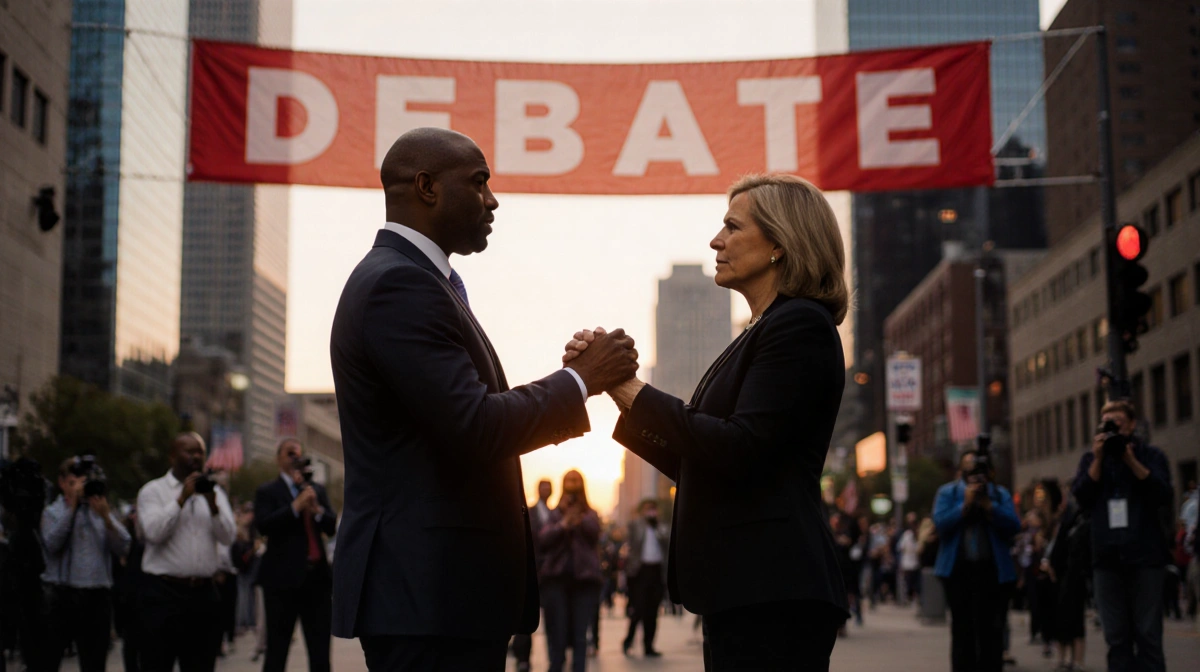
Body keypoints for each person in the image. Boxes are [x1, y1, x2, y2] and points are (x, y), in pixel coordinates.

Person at [329, 127, 638, 671]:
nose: (493, 200)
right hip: (429, 597)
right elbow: (473, 426)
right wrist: (581, 382)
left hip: (440, 598)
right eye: (479, 183)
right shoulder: (399, 285)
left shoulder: (423, 280)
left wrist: (573, 376)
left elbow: (460, 411)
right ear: (427, 186)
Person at [566, 173, 851, 670]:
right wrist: (618, 389)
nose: (716, 241)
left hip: (772, 589)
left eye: (732, 227)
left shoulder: (799, 325)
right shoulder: (764, 329)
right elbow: (705, 457)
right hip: (747, 588)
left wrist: (632, 389)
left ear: (779, 244)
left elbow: (741, 448)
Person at [1072, 400, 1172, 672]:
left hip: (1146, 556)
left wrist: (1130, 459)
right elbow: (1081, 495)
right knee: (1116, 636)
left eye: (1117, 422)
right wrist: (1099, 458)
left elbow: (1162, 493)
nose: (1112, 428)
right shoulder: (1091, 460)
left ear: (1131, 424)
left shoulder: (1151, 455)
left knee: (1148, 634)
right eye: (1106, 424)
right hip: (1106, 558)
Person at [135, 433, 237, 672]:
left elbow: (227, 537)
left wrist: (213, 505)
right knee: (156, 664)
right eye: (189, 451)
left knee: (201, 665)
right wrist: (181, 499)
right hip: (163, 595)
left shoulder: (216, 494)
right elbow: (153, 532)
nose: (196, 457)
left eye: (200, 452)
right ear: (172, 456)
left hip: (203, 596)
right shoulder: (153, 491)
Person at [39, 456, 132, 672]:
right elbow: (52, 544)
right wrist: (72, 510)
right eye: (73, 483)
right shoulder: (52, 512)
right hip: (63, 593)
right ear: (62, 483)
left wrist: (107, 518)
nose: (80, 488)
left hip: (97, 596)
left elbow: (124, 546)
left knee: (94, 663)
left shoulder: (99, 509)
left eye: (83, 482)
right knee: (49, 660)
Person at [932, 449, 1021, 672]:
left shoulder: (999, 495)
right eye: (969, 469)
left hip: (993, 572)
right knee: (962, 631)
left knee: (992, 630)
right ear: (961, 471)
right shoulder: (948, 493)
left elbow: (1014, 525)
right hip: (958, 572)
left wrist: (990, 507)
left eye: (979, 470)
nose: (975, 476)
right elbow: (940, 524)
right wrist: (964, 505)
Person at [253, 438, 337, 672]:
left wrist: (316, 510)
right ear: (279, 459)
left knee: (320, 652)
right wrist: (294, 508)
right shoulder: (268, 491)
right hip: (281, 582)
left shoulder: (316, 490)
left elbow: (331, 527)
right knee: (277, 651)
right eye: (290, 454)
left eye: (299, 454)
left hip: (316, 582)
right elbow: (264, 525)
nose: (295, 459)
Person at [537, 470, 602, 672]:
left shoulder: (590, 513)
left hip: (584, 582)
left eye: (575, 481)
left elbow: (594, 534)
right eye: (568, 481)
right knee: (557, 634)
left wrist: (579, 518)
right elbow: (544, 539)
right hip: (556, 581)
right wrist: (564, 523)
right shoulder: (555, 513)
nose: (572, 484)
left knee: (580, 637)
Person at [512, 479, 553, 672]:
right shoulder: (529, 512)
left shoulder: (555, 514)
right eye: (543, 488)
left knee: (553, 618)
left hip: (551, 573)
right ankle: (523, 658)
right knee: (526, 617)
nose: (546, 490)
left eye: (548, 488)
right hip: (534, 570)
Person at [1046, 492, 1090, 672]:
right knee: (1060, 620)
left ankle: (1077, 659)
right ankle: (1063, 658)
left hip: (1073, 577)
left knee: (1075, 620)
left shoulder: (1077, 522)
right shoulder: (1058, 523)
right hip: (1057, 578)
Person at [622, 499, 669, 658]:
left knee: (653, 612)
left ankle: (649, 646)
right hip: (640, 572)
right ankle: (628, 641)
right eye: (649, 509)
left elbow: (666, 542)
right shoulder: (636, 525)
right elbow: (632, 542)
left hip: (656, 573)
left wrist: (656, 527)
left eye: (653, 509)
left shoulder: (661, 527)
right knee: (638, 610)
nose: (651, 512)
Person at [898, 512, 921, 606]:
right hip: (907, 563)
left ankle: (915, 598)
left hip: (916, 562)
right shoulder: (906, 534)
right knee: (908, 582)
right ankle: (909, 598)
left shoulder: (919, 533)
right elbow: (901, 547)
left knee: (915, 582)